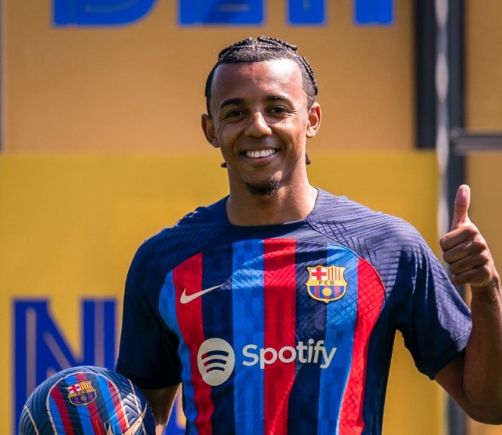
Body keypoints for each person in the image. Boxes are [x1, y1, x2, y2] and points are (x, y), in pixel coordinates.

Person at [116, 36, 502, 434]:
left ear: (312, 119)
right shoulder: (162, 262)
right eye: (235, 113)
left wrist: (486, 289)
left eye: (277, 109)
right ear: (211, 129)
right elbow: (143, 419)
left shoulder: (387, 248)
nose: (258, 127)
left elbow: (490, 404)